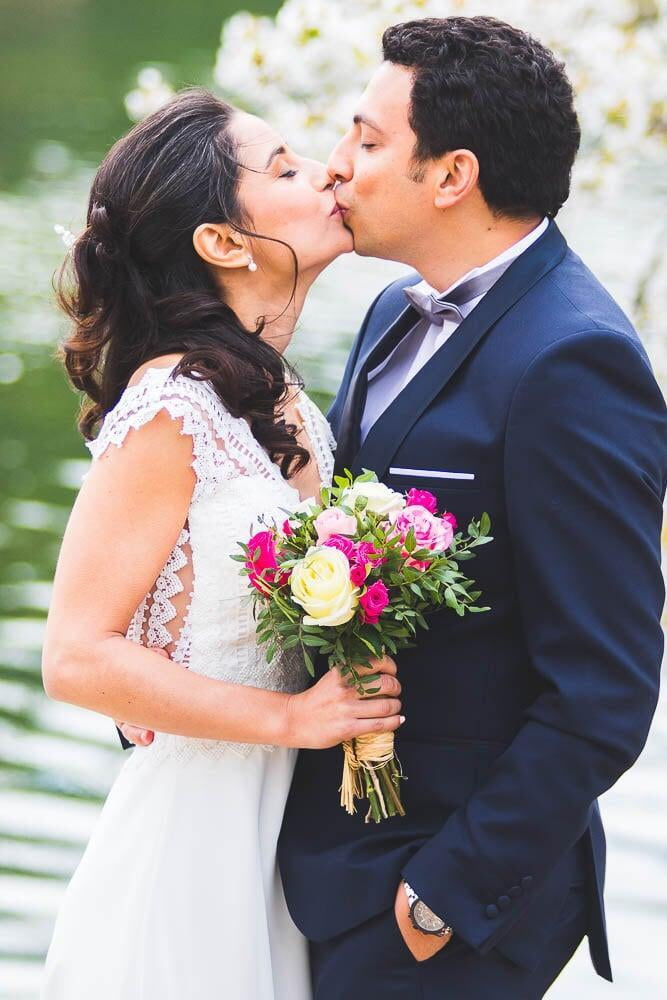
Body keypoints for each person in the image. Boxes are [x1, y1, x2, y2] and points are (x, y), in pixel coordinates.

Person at [276, 16, 667, 999]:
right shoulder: (388, 310)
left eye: (367, 142)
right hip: (334, 861)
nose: (336, 168)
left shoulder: (574, 362)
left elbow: (606, 682)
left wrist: (441, 897)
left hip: (445, 898)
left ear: (450, 175)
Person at [39, 89, 403, 999]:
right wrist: (292, 719)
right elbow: (76, 657)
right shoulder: (172, 405)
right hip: (191, 840)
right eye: (282, 167)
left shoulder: (279, 395)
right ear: (222, 242)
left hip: (282, 837)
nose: (325, 167)